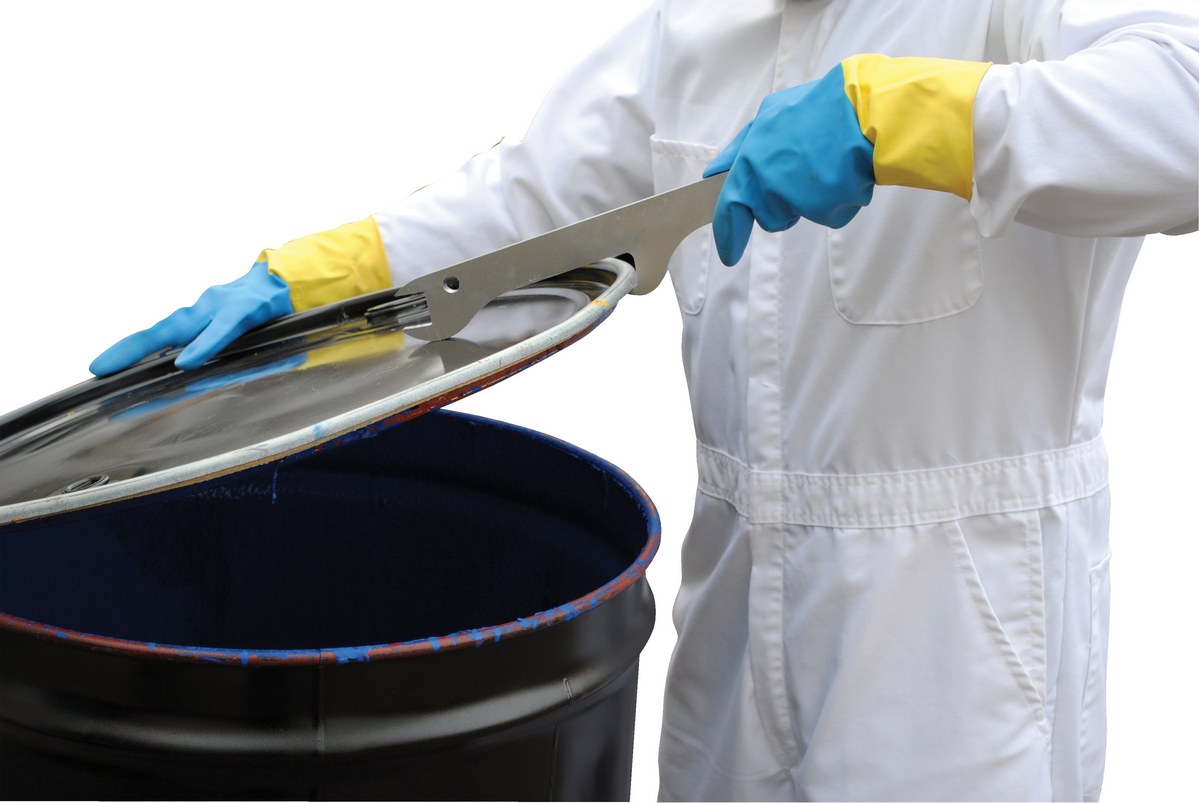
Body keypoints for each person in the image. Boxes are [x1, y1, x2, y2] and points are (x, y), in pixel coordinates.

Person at [90, 1, 1199, 799]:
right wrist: (315, 288)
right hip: (738, 589)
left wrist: (908, 118)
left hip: (958, 620)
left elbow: (1182, 108)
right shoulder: (699, 26)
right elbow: (528, 204)